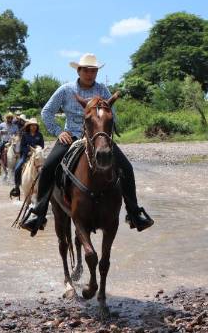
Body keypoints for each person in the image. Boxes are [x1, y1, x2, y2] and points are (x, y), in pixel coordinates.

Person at [20, 53, 154, 236]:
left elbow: (111, 114)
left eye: (94, 71)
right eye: (87, 70)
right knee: (48, 167)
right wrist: (60, 132)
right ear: (79, 70)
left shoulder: (103, 91)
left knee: (127, 168)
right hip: (72, 138)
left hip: (99, 139)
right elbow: (46, 112)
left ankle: (134, 213)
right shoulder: (65, 90)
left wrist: (106, 131)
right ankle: (38, 213)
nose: (91, 74)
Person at [9, 118, 45, 198]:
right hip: (26, 155)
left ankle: (45, 187)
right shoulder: (25, 135)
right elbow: (22, 147)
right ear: (29, 126)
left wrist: (38, 148)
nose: (33, 127)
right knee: (18, 168)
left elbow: (42, 146)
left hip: (37, 155)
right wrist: (28, 152)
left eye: (35, 125)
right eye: (32, 125)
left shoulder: (39, 135)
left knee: (45, 168)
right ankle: (17, 187)